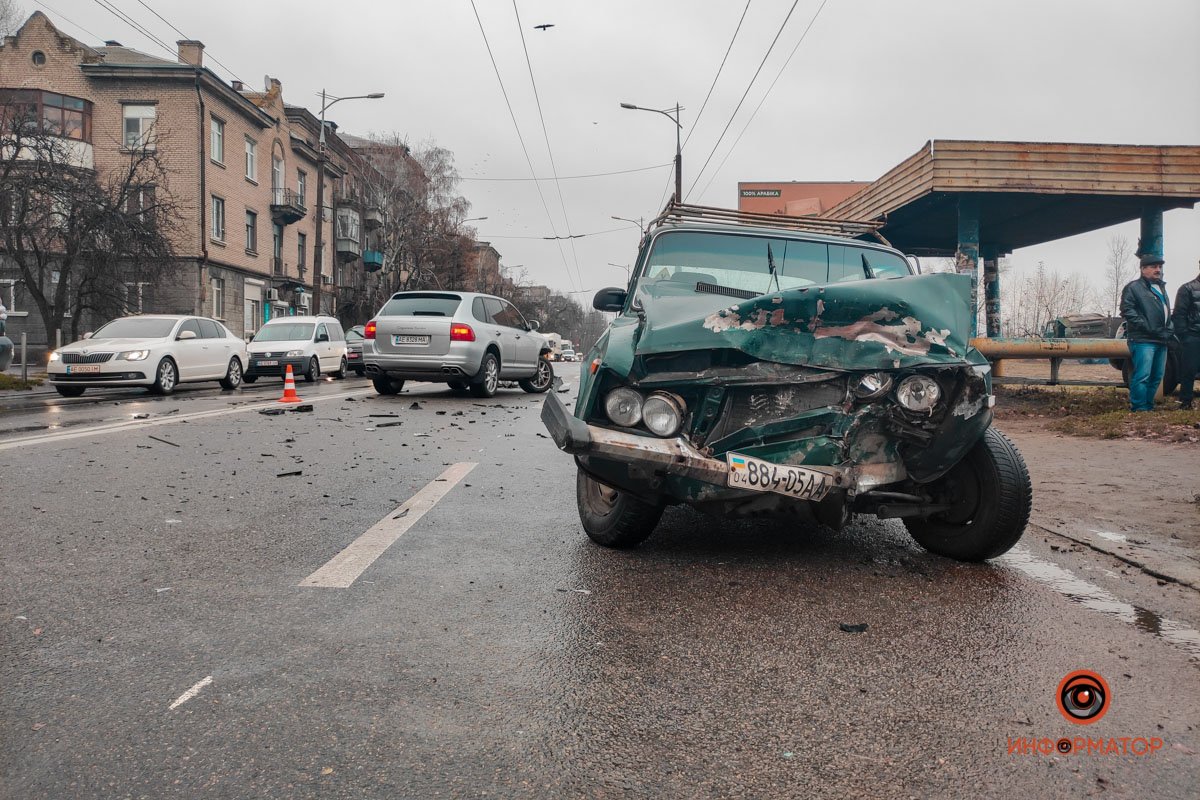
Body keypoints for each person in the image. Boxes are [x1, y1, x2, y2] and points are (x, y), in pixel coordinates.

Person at [1120, 254, 1173, 412]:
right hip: (1143, 339)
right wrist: (1147, 326)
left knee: (1157, 376)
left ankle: (1148, 407)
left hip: (1161, 339)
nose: (1158, 270)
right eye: (1154, 267)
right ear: (1143, 269)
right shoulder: (1133, 287)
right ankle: (1139, 408)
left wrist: (1169, 329)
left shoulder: (1161, 287)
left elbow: (1166, 313)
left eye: (1159, 267)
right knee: (1142, 375)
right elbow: (1127, 310)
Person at [1171, 261, 1200, 410]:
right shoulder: (1187, 288)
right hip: (1193, 336)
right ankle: (1186, 402)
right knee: (1189, 370)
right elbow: (1179, 314)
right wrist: (1185, 336)